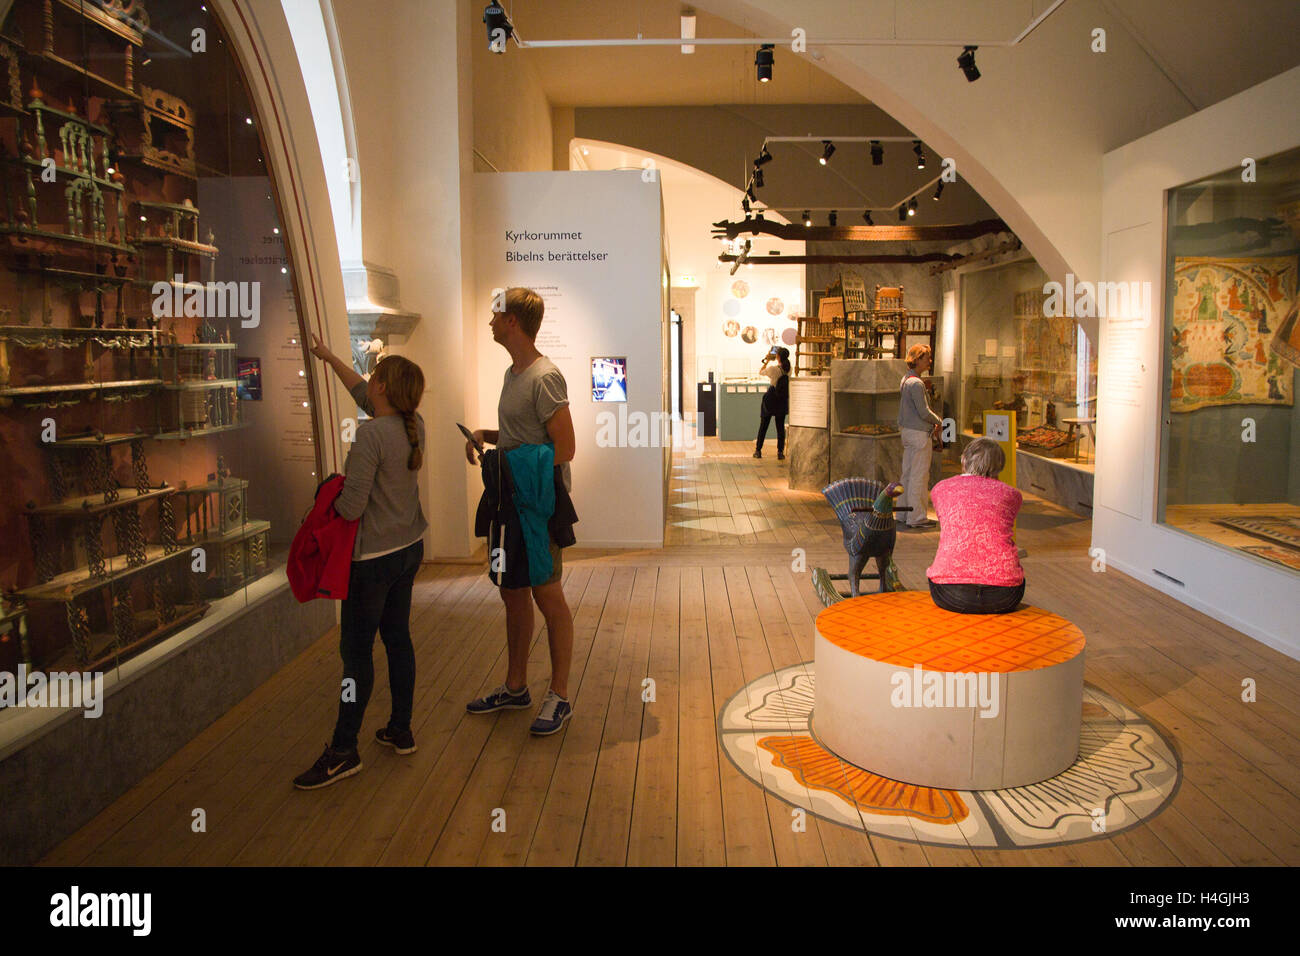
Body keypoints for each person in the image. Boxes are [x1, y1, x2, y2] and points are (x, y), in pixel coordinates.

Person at [294, 339, 428, 789]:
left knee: (355, 656)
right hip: (408, 548)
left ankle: (343, 749)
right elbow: (361, 393)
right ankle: (400, 728)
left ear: (384, 388)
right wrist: (332, 358)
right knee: (397, 639)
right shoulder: (413, 425)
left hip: (371, 561)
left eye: (373, 377)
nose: (367, 382)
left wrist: (330, 487)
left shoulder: (370, 435)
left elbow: (351, 508)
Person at [464, 288, 577, 736]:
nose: (490, 322)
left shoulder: (545, 376)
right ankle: (516, 686)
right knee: (511, 590)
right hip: (509, 504)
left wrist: (509, 462)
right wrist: (486, 435)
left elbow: (564, 448)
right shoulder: (513, 373)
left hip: (538, 507)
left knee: (548, 596)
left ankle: (561, 695)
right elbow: (522, 435)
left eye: (496, 315)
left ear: (513, 322)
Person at [926, 437, 1025, 614]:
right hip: (1005, 594)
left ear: (964, 460)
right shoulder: (1012, 495)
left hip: (949, 591)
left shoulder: (941, 489)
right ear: (1000, 465)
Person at [898, 344, 942, 530]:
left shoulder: (906, 379)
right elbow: (923, 412)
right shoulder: (916, 383)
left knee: (907, 473)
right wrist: (939, 420)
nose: (929, 361)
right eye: (926, 358)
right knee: (919, 475)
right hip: (918, 433)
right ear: (916, 360)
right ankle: (916, 516)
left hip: (907, 431)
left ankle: (903, 512)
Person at [754, 345, 790, 460]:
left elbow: (761, 372)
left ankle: (758, 450)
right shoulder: (789, 368)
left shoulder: (773, 369)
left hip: (771, 398)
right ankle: (780, 452)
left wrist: (767, 360)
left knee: (763, 426)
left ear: (778, 356)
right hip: (782, 399)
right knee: (780, 428)